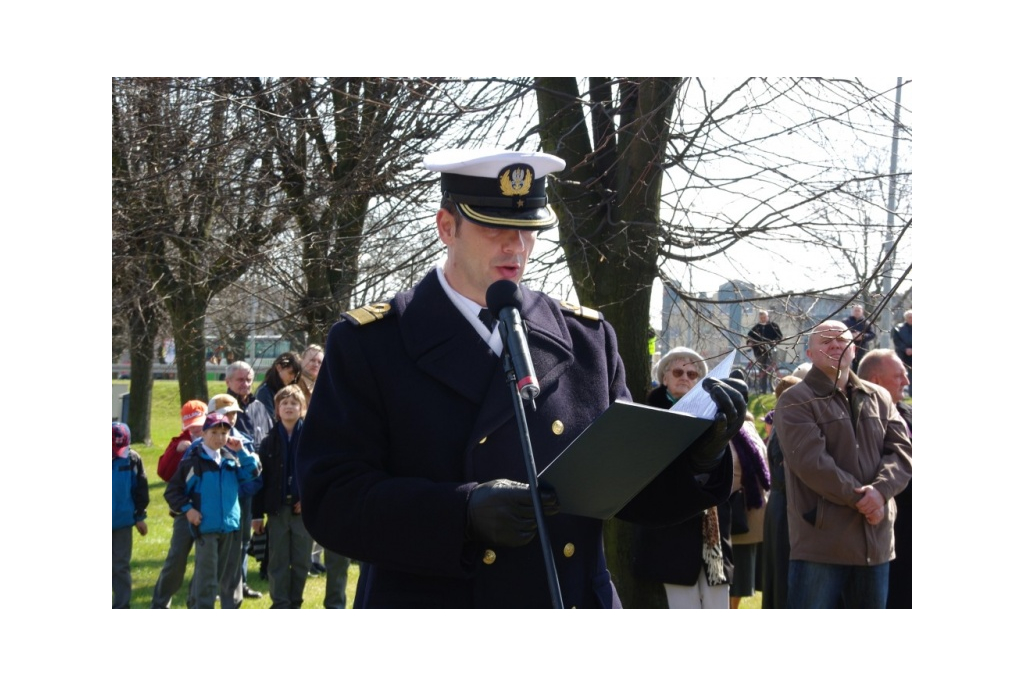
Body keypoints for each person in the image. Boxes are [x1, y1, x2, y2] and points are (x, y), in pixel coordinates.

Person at [297, 148, 745, 608]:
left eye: (528, 230)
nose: (516, 246)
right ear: (446, 227)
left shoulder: (587, 339)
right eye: (493, 227)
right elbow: (331, 497)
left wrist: (698, 459)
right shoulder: (373, 342)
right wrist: (461, 513)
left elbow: (626, 493)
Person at [774, 321, 911, 608]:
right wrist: (864, 499)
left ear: (854, 349)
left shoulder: (880, 397)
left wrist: (881, 492)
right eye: (825, 341)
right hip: (822, 546)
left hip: (877, 543)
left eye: (842, 339)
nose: (835, 344)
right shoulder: (795, 401)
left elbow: (902, 452)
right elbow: (812, 464)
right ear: (810, 353)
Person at [631, 348, 743, 609]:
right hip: (670, 534)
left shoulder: (717, 414)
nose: (685, 377)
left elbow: (732, 468)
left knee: (719, 607)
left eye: (693, 373)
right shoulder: (650, 414)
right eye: (678, 371)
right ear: (664, 377)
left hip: (712, 531)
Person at [165, 411, 261, 609]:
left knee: (225, 576)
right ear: (204, 434)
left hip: (230, 527)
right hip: (206, 528)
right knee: (207, 577)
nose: (219, 438)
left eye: (224, 433)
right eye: (214, 432)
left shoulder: (230, 460)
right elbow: (173, 491)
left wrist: (242, 451)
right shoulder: (194, 461)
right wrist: (188, 510)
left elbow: (253, 472)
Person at [858, 348, 912, 609]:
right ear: (877, 380)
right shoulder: (859, 416)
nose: (907, 381)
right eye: (899, 375)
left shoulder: (908, 415)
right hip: (880, 531)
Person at [253, 385, 313, 608]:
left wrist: (307, 499)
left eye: (294, 403)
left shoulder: (311, 440)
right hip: (277, 510)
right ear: (277, 410)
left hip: (302, 511)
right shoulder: (268, 441)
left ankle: (295, 602)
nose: (289, 407)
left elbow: (316, 475)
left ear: (302, 408)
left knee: (301, 561)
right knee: (277, 560)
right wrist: (256, 515)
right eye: (284, 403)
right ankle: (280, 603)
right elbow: (261, 481)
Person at [222, 362, 273, 598]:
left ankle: (239, 585)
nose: (245, 384)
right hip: (230, 483)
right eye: (240, 380)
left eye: (249, 379)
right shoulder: (222, 408)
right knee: (228, 540)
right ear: (228, 382)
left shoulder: (259, 406)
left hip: (254, 482)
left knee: (244, 539)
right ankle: (223, 586)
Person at [208, 393, 264, 601]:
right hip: (217, 503)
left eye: (234, 413)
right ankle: (214, 585)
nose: (231, 418)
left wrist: (241, 489)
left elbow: (256, 473)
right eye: (226, 413)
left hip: (243, 501)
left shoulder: (244, 440)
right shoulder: (207, 440)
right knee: (217, 545)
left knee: (242, 543)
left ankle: (241, 584)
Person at [151, 400, 207, 608]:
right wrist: (177, 452)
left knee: (205, 562)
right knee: (176, 560)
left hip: (209, 510)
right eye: (191, 425)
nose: (196, 429)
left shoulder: (216, 439)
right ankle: (160, 603)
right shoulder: (178, 442)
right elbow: (164, 474)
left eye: (199, 424)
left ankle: (196, 603)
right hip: (184, 510)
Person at [760, 375, 801, 610]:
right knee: (783, 573)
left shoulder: (781, 423)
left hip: (780, 505)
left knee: (779, 573)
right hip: (785, 506)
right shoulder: (787, 425)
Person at [113, 422, 148, 608]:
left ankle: (121, 605)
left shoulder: (131, 459)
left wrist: (139, 516)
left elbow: (140, 490)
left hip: (123, 522)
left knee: (120, 565)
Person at [746, 310, 783, 394]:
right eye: (761, 318)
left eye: (764, 317)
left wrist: (775, 341)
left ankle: (772, 389)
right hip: (759, 352)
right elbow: (749, 337)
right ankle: (763, 390)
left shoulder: (773, 326)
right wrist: (749, 343)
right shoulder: (757, 327)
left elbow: (779, 336)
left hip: (770, 351)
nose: (762, 319)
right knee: (762, 371)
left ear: (767, 317)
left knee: (769, 369)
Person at [841, 304, 875, 373]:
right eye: (855, 310)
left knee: (860, 368)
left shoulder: (866, 323)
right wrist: (850, 335)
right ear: (852, 311)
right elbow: (840, 333)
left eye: (858, 310)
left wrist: (862, 336)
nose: (857, 312)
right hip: (847, 348)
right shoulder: (845, 322)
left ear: (862, 311)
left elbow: (872, 334)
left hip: (861, 349)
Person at [892, 309, 912, 396]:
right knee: (900, 374)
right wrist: (905, 349)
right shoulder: (898, 328)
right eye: (909, 317)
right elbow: (896, 341)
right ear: (905, 318)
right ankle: (899, 392)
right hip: (902, 355)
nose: (911, 319)